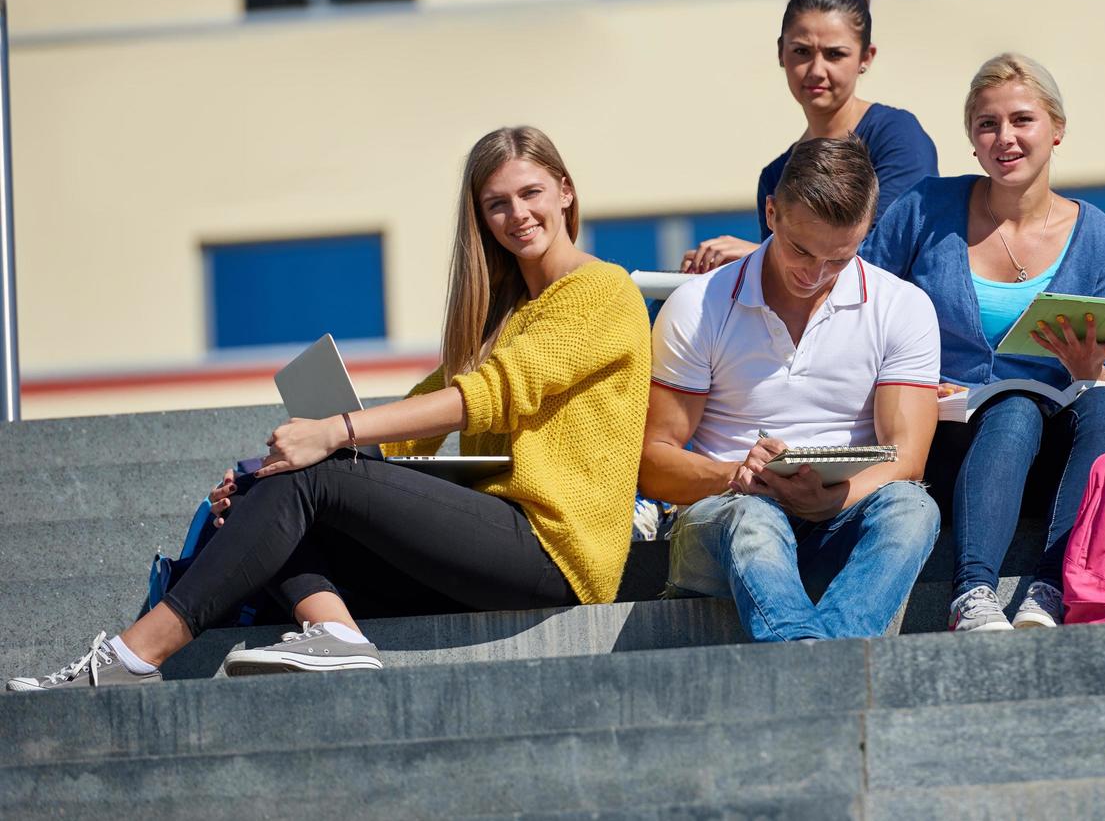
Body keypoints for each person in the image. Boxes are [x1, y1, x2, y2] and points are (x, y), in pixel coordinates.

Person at [8, 126, 651, 691]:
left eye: (530, 193)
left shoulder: (602, 289)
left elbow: (482, 399)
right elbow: (414, 426)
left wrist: (332, 435)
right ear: (480, 218)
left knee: (312, 475)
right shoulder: (501, 318)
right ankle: (337, 638)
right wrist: (273, 476)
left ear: (565, 190)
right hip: (495, 545)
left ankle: (131, 654)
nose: (517, 214)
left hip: (554, 551)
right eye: (496, 204)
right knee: (276, 501)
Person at [864, 53, 1105, 633]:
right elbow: (859, 304)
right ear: (971, 138)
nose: (1004, 138)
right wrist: (905, 380)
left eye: (1022, 120)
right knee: (1011, 407)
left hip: (1055, 447)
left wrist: (1094, 369)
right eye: (988, 124)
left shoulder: (1100, 237)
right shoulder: (925, 209)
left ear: (1056, 130)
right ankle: (973, 593)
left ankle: (1051, 586)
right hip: (947, 434)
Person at [642, 135, 942, 642]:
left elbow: (906, 459)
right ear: (771, 213)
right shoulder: (698, 307)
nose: (815, 273)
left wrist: (831, 500)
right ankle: (820, 664)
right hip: (724, 517)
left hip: (840, 517)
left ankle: (808, 656)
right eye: (800, 250)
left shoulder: (902, 306)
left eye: (839, 258)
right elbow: (653, 461)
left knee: (914, 509)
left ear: (865, 231)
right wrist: (736, 476)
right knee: (755, 517)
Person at [681, 0, 938, 273]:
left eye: (834, 54)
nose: (816, 70)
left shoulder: (895, 135)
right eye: (802, 52)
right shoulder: (776, 174)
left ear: (866, 57)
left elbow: (886, 254)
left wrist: (757, 256)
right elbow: (788, 291)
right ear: (781, 52)